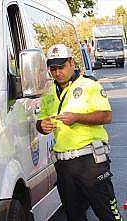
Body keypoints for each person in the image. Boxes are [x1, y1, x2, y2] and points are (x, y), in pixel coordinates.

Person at [36, 44, 122, 221]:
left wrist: (77, 117)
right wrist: (41, 125)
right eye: (53, 68)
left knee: (107, 213)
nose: (57, 72)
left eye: (61, 67)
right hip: (64, 165)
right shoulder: (48, 92)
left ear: (72, 63)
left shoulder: (89, 85)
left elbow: (106, 116)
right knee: (74, 215)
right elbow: (41, 120)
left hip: (90, 161)